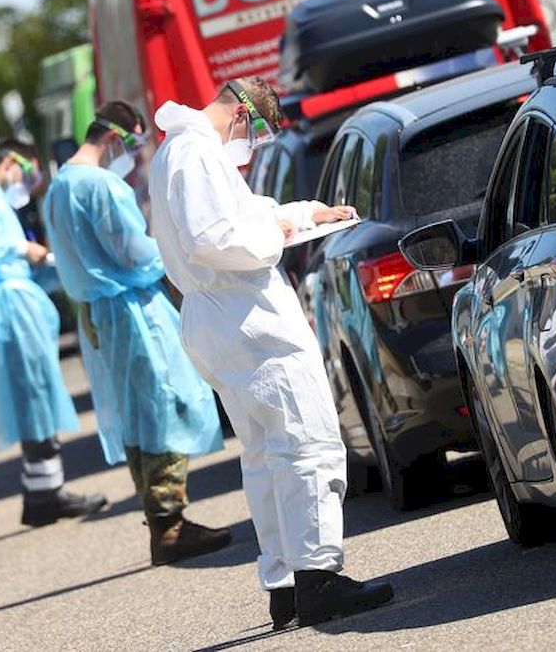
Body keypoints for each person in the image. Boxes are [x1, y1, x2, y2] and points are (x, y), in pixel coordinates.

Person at [149, 77, 394, 628]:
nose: (251, 148)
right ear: (240, 113)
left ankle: (285, 582)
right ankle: (318, 578)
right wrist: (279, 234)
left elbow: (241, 214)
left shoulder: (184, 152)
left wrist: (308, 214)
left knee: (266, 454)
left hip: (223, 317)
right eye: (255, 136)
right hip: (246, 319)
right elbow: (216, 236)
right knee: (308, 442)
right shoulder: (194, 154)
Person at [42, 101, 231, 565]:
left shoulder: (58, 186)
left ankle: (161, 520)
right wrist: (177, 250)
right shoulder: (102, 186)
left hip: (97, 314)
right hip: (132, 310)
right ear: (113, 140)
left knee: (135, 413)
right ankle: (170, 525)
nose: (129, 156)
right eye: (129, 145)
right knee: (166, 404)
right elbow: (132, 252)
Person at [0, 141, 107, 527]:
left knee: (33, 393)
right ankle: (46, 494)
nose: (27, 183)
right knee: (34, 393)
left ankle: (43, 491)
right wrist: (24, 247)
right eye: (29, 173)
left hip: (6, 301)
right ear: (12, 162)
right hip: (8, 304)